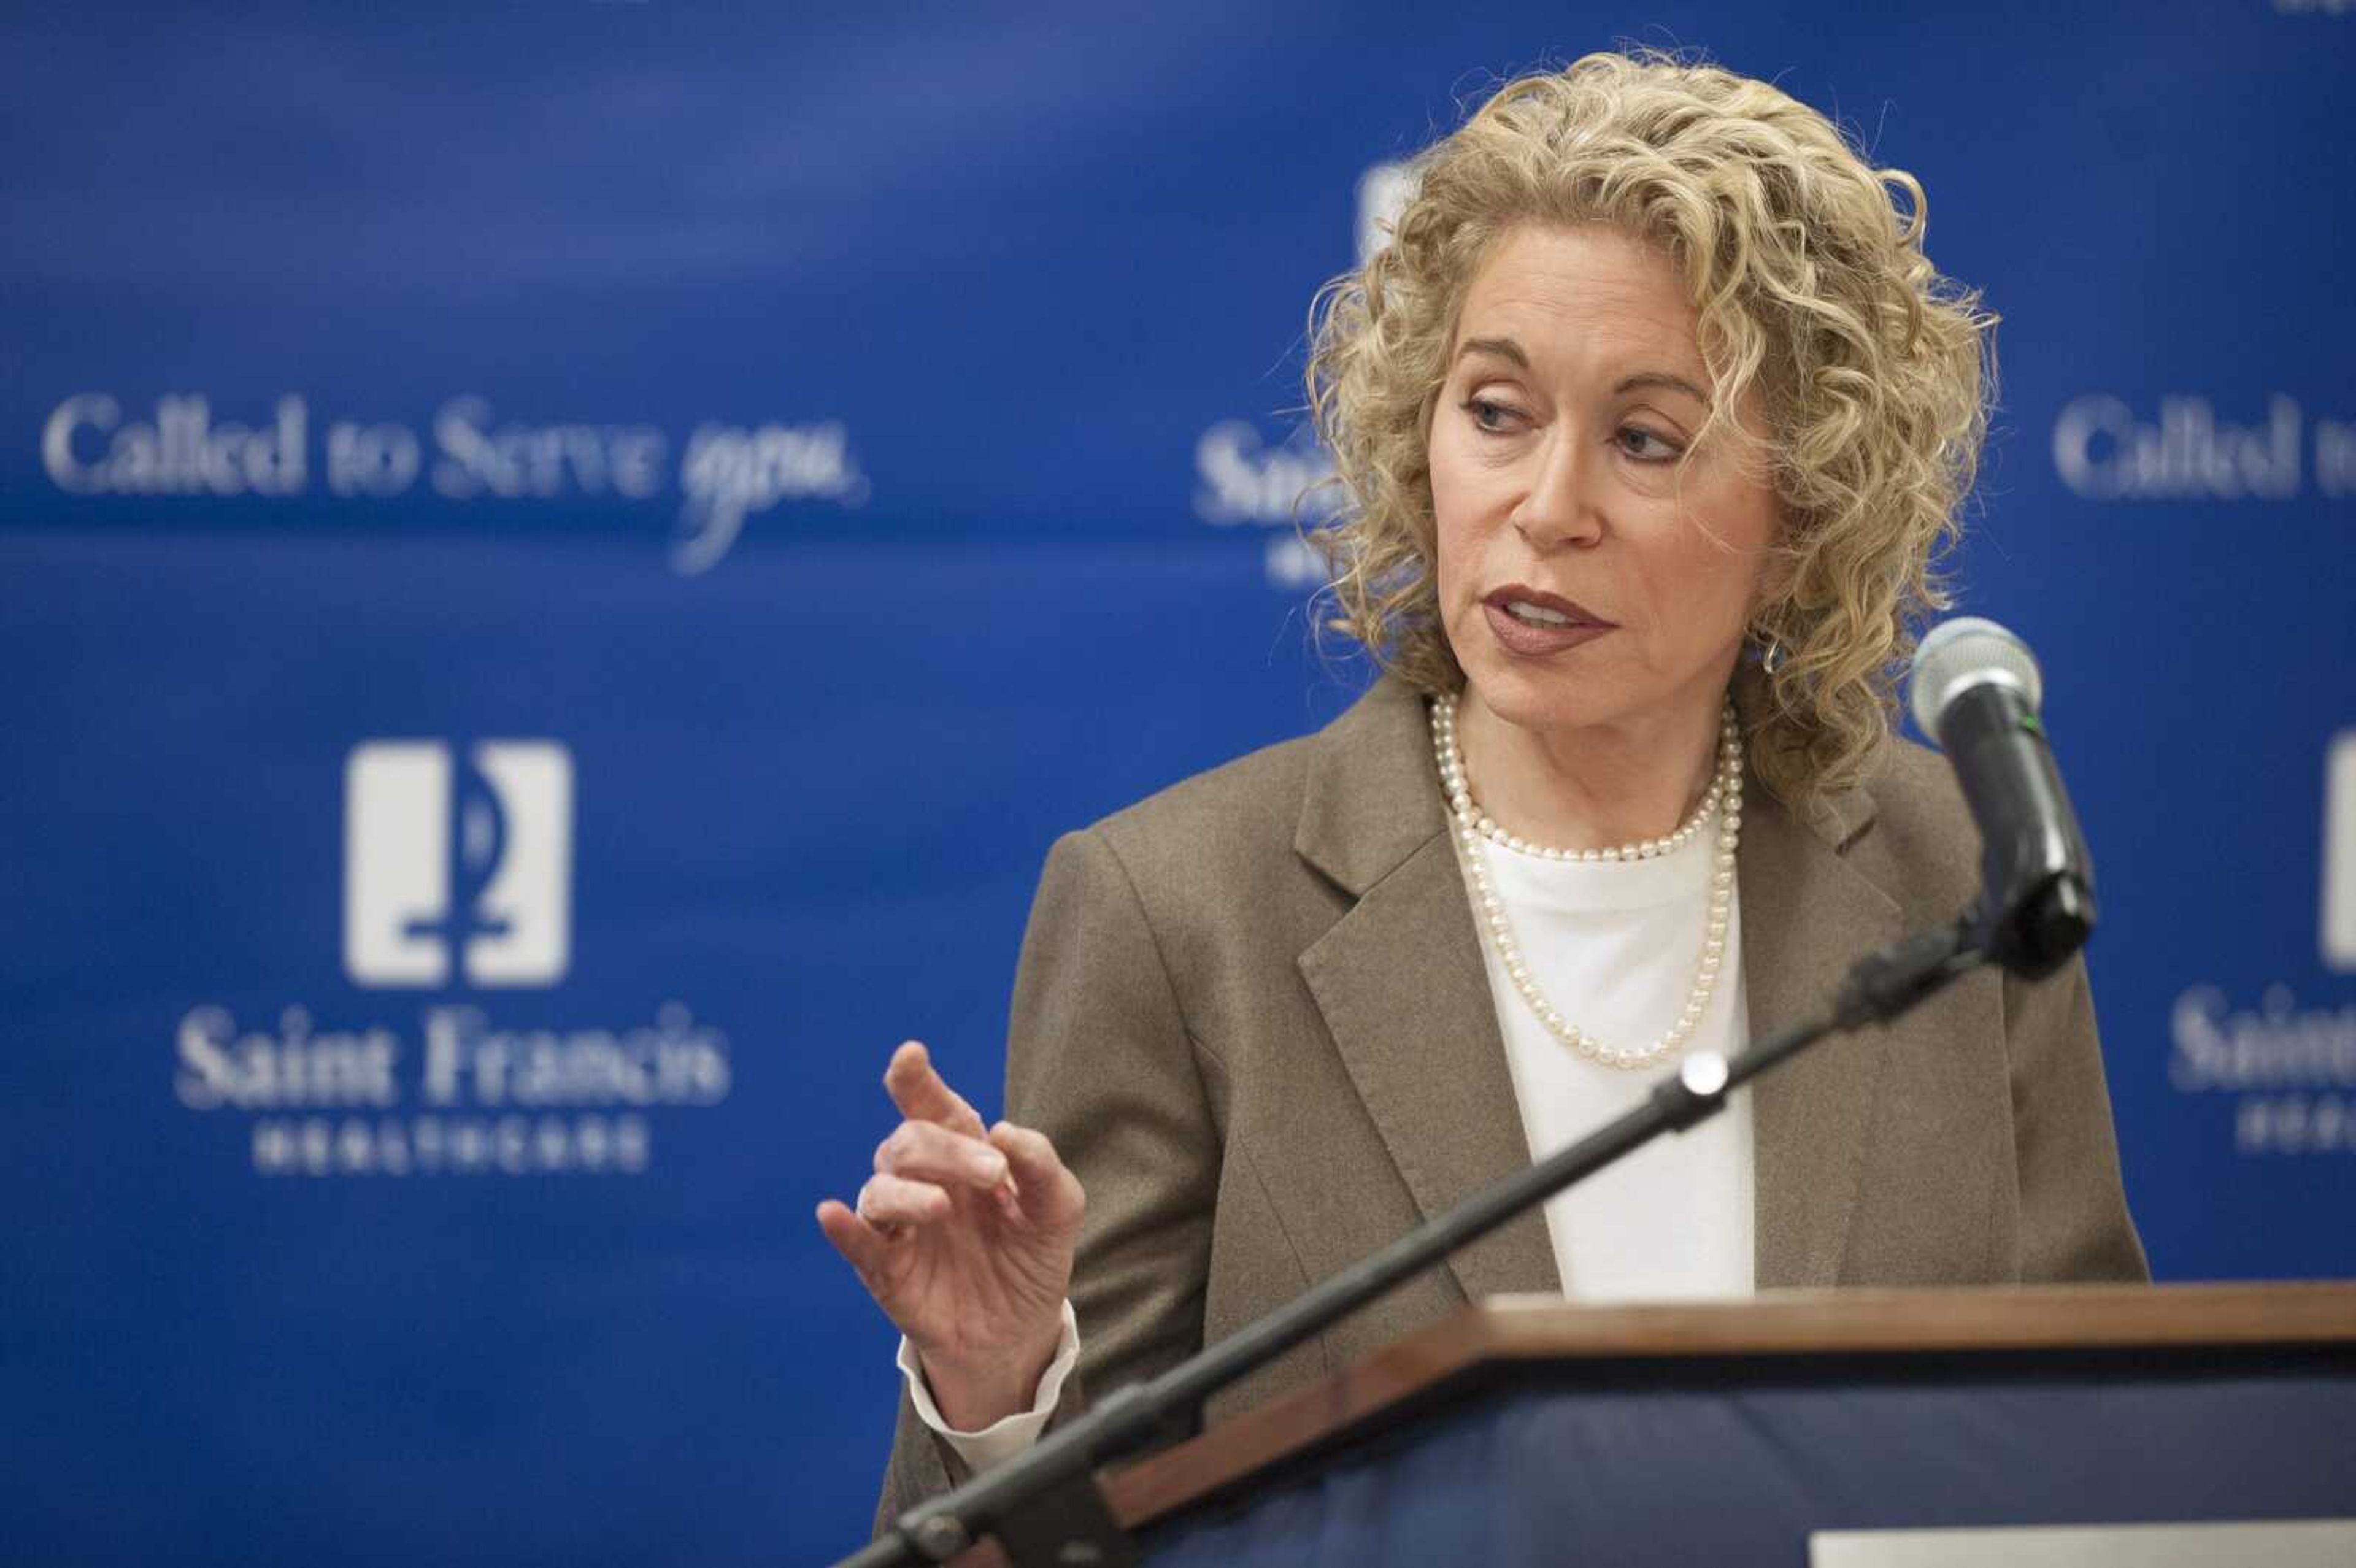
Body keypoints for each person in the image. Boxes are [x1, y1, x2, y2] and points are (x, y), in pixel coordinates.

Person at [816, 47, 2148, 1536]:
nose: (1548, 506)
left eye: (1646, 440)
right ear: (1419, 435)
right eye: (1497, 411)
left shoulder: (1957, 868)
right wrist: (1000, 1394)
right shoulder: (1180, 911)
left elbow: (2086, 1444)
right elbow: (1068, 1536)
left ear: (1805, 509)